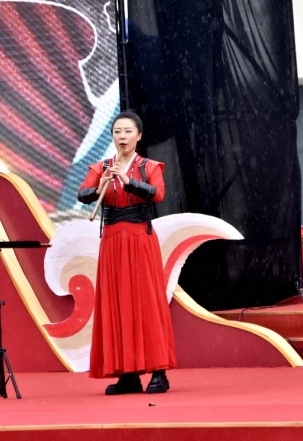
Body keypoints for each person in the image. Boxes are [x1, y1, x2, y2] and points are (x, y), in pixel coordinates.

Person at [77, 111, 177, 395]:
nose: (122, 136)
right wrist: (99, 187)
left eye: (128, 131)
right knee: (117, 303)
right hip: (112, 240)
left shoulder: (149, 166)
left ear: (139, 136)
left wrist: (129, 181)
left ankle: (158, 371)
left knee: (146, 302)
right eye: (117, 132)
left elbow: (158, 194)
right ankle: (128, 374)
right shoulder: (102, 167)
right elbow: (82, 194)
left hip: (139, 238)